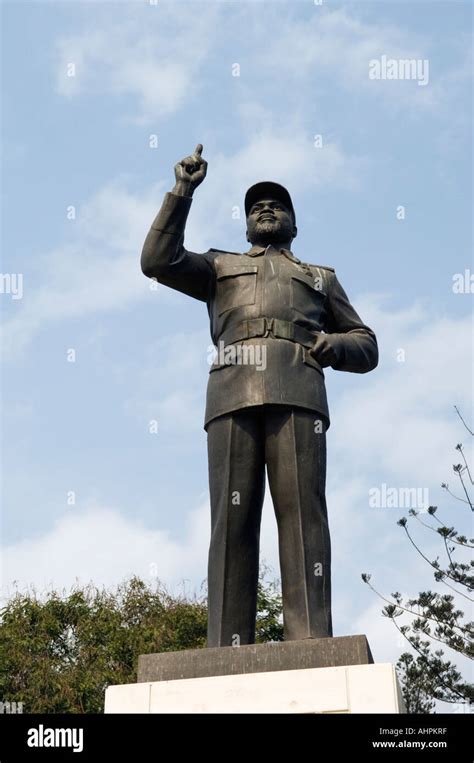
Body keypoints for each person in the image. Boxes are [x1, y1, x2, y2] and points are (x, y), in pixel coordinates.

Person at [141, 144, 378, 647]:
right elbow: (157, 261)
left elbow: (367, 343)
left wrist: (333, 345)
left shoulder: (319, 277)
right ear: (247, 225)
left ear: (294, 223)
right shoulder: (218, 267)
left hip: (298, 389)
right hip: (231, 391)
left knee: (303, 515)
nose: (265, 209)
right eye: (255, 207)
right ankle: (225, 645)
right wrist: (183, 190)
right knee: (232, 519)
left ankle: (311, 639)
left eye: (277, 205)